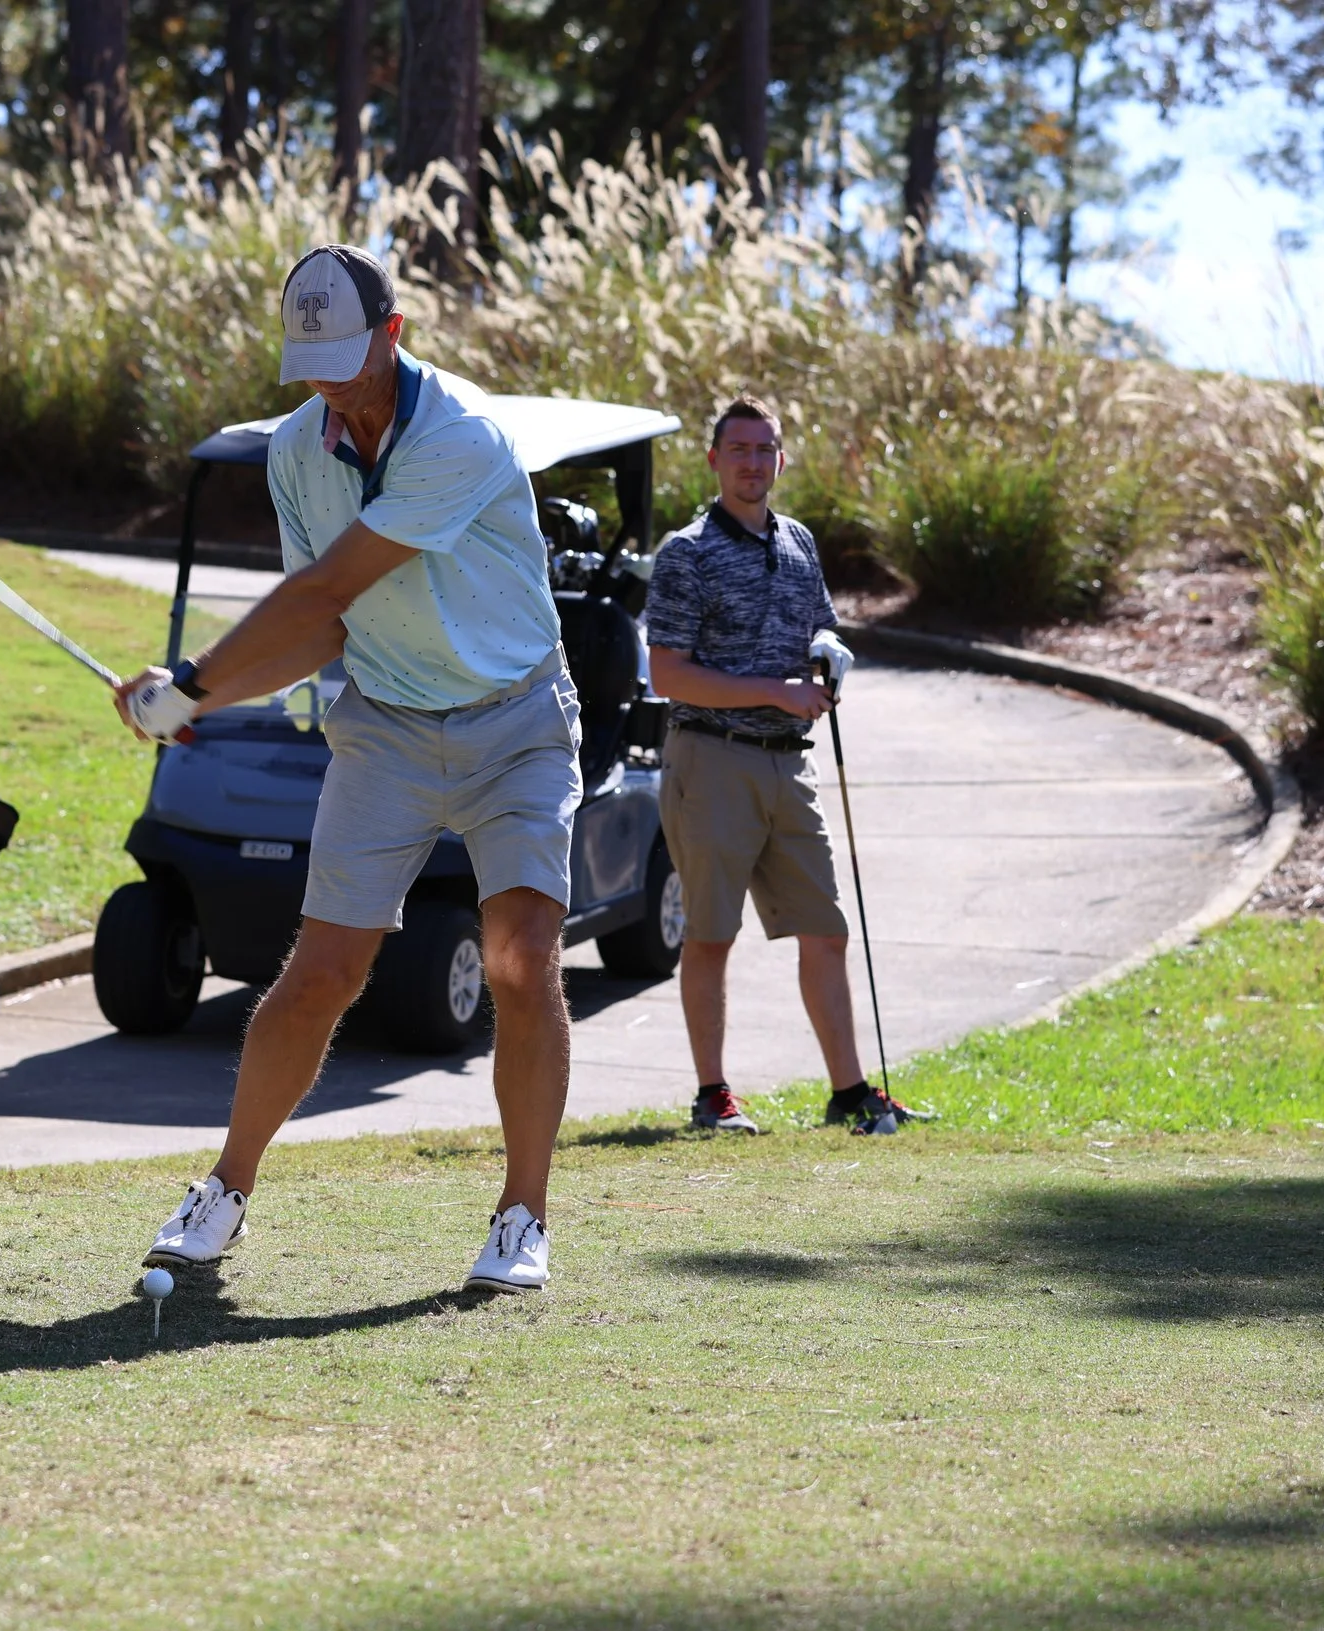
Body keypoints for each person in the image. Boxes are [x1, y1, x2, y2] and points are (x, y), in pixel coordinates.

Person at [116, 244, 580, 1294]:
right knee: (322, 969)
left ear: (395, 332)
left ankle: (522, 1214)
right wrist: (205, 697)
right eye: (309, 356)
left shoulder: (456, 434)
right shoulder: (295, 452)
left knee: (517, 954)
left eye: (346, 353)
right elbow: (322, 629)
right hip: (388, 722)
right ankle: (223, 1193)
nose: (329, 379)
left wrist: (188, 681)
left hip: (516, 715)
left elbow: (334, 579)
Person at [643, 394, 923, 1137]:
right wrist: (774, 690)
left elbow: (817, 617)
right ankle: (713, 1096)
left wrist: (828, 643)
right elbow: (667, 673)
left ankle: (850, 1091)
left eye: (765, 449)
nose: (753, 462)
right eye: (739, 449)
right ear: (714, 460)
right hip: (712, 762)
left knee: (825, 928)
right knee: (710, 934)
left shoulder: (797, 541)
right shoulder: (687, 552)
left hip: (789, 766)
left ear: (780, 459)